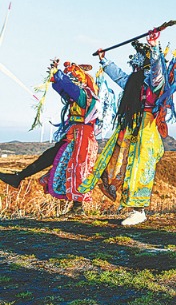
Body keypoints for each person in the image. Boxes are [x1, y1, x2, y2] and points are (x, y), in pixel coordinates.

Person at [78, 34, 167, 226]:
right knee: (117, 160)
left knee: (138, 167)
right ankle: (125, 200)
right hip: (131, 126)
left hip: (146, 127)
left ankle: (139, 209)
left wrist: (154, 47)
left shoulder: (154, 81)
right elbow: (118, 75)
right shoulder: (133, 82)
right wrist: (104, 60)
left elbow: (157, 70)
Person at [0, 60, 99, 215]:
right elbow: (63, 89)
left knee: (78, 169)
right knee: (51, 158)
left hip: (82, 139)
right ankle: (19, 177)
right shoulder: (77, 95)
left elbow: (69, 88)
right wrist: (55, 75)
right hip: (74, 136)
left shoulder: (85, 95)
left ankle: (78, 206)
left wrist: (59, 74)